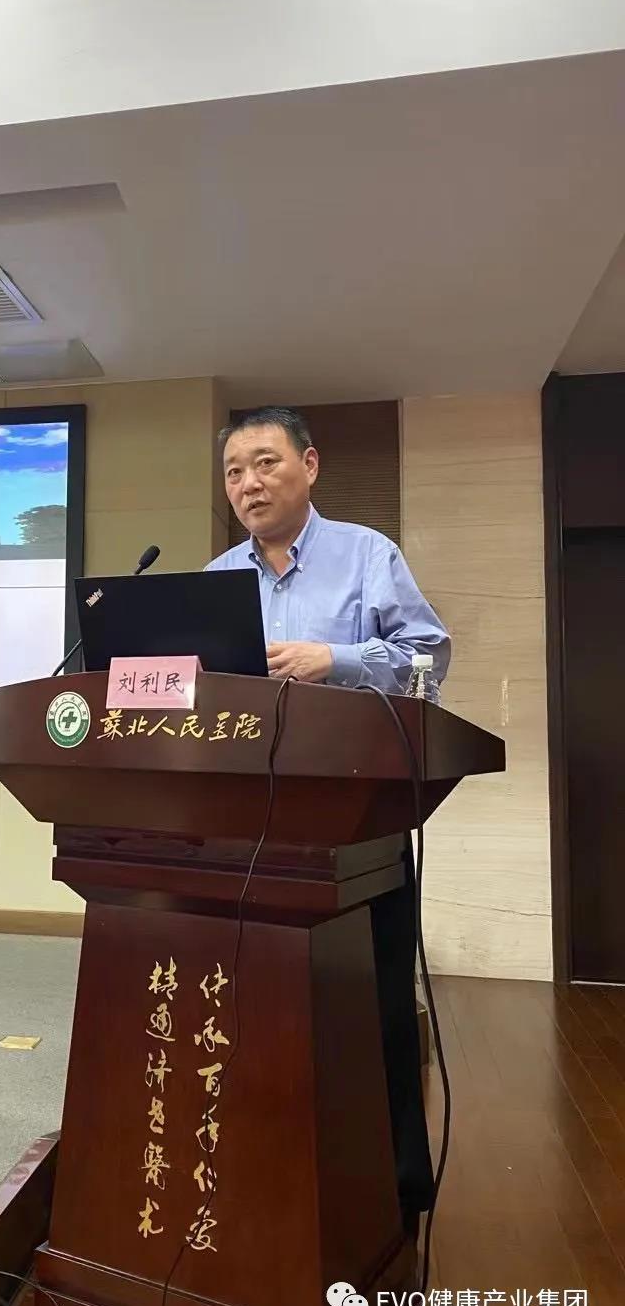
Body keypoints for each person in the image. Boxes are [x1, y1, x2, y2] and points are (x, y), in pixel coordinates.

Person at [206, 405, 450, 1240]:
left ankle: (396, 1189)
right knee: (250, 1011)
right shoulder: (216, 576)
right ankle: (259, 1179)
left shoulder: (366, 555)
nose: (248, 484)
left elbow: (429, 663)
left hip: (357, 831)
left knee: (371, 1011)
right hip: (243, 831)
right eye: (234, 471)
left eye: (264, 463)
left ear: (308, 465)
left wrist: (335, 660)